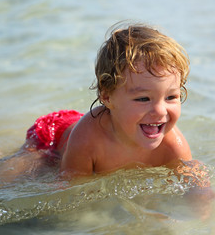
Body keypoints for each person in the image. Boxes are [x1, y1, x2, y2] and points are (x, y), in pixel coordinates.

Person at [22, 22, 192, 177]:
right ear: (107, 97)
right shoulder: (87, 140)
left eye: (170, 97)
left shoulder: (173, 145)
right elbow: (70, 191)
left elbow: (197, 188)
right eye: (143, 99)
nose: (160, 111)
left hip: (102, 120)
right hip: (52, 137)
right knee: (19, 173)